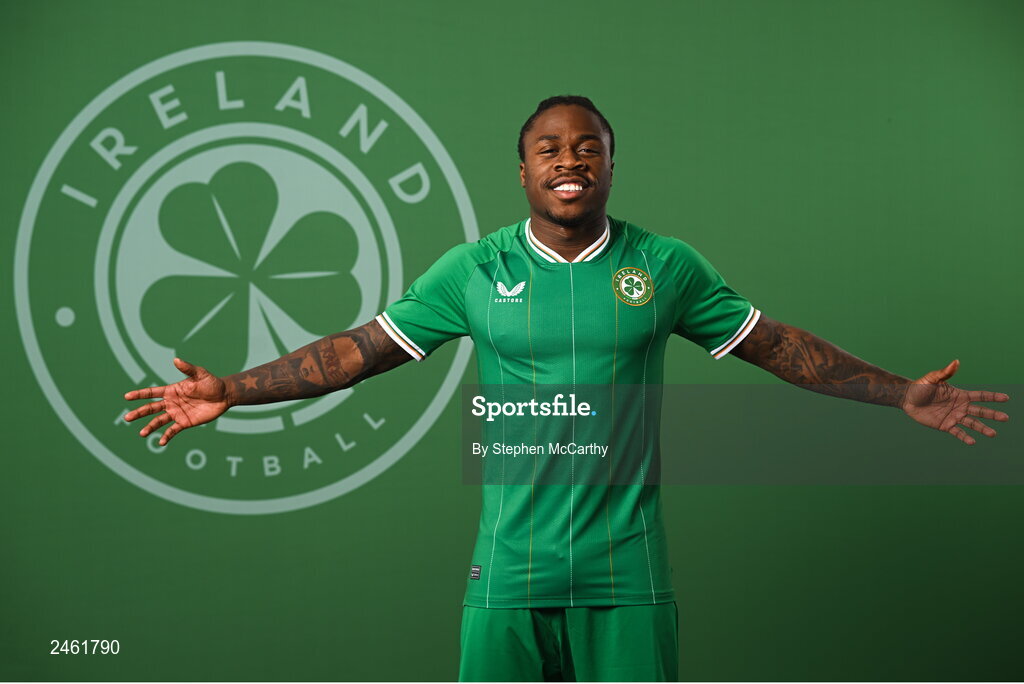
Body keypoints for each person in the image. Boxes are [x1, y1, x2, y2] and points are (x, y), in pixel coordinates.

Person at [124, 95, 1010, 681]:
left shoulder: (664, 266)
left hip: (629, 577)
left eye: (588, 146)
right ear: (524, 171)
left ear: (611, 165)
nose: (569, 158)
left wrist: (899, 393)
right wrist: (233, 390)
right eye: (548, 148)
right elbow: (360, 350)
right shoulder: (475, 269)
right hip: (508, 575)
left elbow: (774, 345)